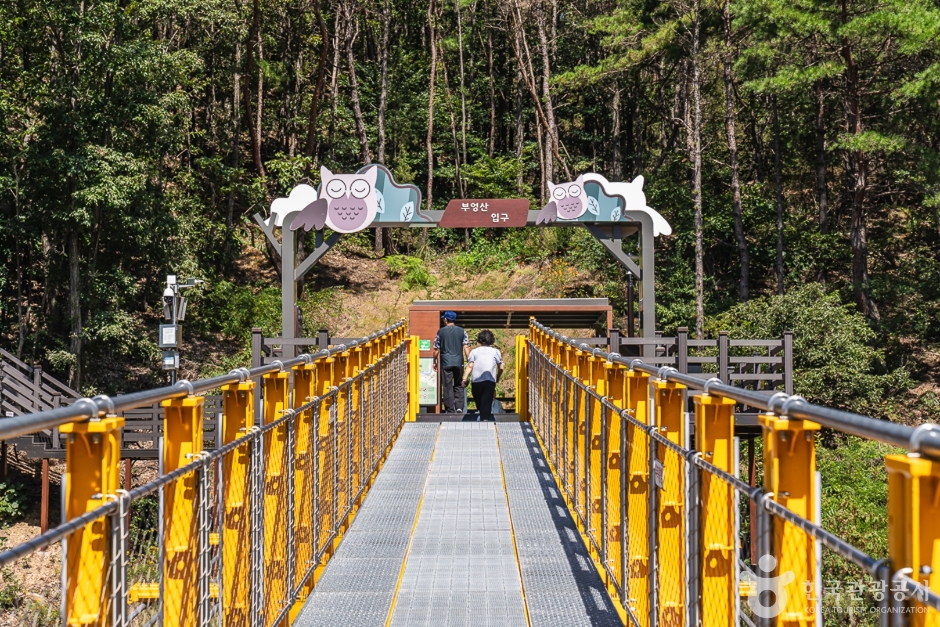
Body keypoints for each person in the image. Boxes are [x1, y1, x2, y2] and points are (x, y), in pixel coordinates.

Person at [463, 330, 504, 422]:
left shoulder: (474, 352)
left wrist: (464, 378)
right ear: (491, 340)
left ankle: (484, 418)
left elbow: (470, 365)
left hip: (476, 381)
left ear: (479, 339)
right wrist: (498, 377)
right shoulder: (496, 351)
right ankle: (484, 419)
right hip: (490, 381)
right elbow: (501, 367)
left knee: (479, 400)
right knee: (486, 401)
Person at [432, 311, 469, 413]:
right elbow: (466, 347)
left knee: (447, 386)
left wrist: (434, 361)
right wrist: (469, 360)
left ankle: (450, 409)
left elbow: (436, 349)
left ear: (446, 319)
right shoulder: (462, 331)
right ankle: (459, 407)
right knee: (459, 384)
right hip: (459, 362)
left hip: (446, 363)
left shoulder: (440, 332)